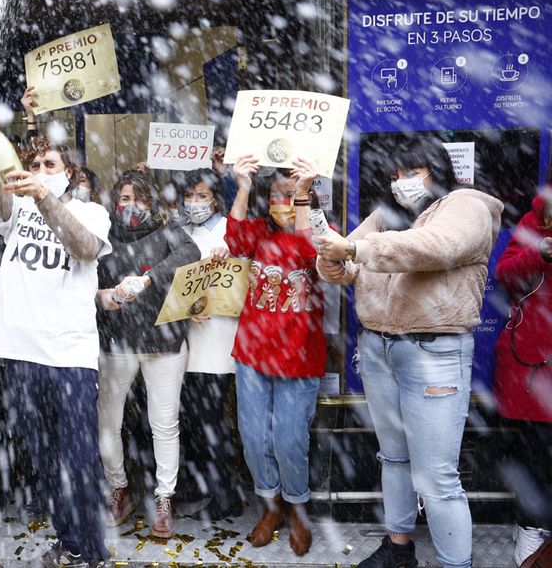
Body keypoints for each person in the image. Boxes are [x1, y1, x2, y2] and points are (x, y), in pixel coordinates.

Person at [314, 136, 503, 568]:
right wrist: (331, 259)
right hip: (380, 349)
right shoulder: (387, 215)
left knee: (437, 477)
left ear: (437, 171)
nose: (402, 183)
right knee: (394, 458)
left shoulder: (466, 205)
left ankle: (456, 563)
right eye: (395, 174)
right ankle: (399, 549)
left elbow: (436, 247)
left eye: (413, 172)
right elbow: (343, 259)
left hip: (433, 352)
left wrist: (355, 251)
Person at [0, 106, 112, 568]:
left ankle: (93, 553)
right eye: (33, 166)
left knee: (80, 459)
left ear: (68, 174)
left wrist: (47, 199)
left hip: (70, 355)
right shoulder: (20, 208)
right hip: (19, 355)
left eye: (49, 166)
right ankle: (70, 543)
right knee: (45, 461)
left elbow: (85, 248)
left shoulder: (91, 211)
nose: (38, 172)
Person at [225, 155, 324, 555]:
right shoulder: (258, 233)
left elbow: (305, 251)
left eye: (290, 195)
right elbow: (233, 242)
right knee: (253, 438)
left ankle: (298, 510)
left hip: (298, 357)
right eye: (275, 195)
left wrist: (301, 198)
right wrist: (244, 187)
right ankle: (271, 507)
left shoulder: (321, 232)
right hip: (252, 353)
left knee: (289, 441)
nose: (280, 202)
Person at [94, 170, 200, 538]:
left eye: (139, 199)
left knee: (164, 424)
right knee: (108, 422)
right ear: (114, 202)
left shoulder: (166, 230)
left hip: (164, 341)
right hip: (117, 342)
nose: (131, 207)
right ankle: (119, 489)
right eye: (124, 199)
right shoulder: (104, 232)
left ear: (151, 203)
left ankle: (164, 498)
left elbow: (192, 253)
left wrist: (149, 278)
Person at [174, 169, 245, 521]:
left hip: (218, 340)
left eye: (202, 196)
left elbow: (239, 281)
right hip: (185, 340)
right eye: (190, 196)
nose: (195, 203)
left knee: (212, 421)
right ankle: (202, 485)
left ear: (215, 198)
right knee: (191, 420)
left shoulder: (229, 231)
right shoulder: (180, 231)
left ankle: (225, 493)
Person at [494, 187, 552, 566]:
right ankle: (531, 526)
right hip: (533, 361)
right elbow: (504, 273)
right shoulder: (534, 221)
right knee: (533, 451)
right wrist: (539, 252)